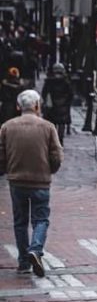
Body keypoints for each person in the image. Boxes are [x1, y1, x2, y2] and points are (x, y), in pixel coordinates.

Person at [0, 89, 63, 276]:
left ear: (19, 106)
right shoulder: (48, 127)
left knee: (20, 221)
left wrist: (7, 169)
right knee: (41, 219)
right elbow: (57, 155)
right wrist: (50, 169)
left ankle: (23, 261)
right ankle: (35, 249)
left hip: (17, 181)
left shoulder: (7, 127)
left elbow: (1, 155)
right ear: (37, 106)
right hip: (40, 181)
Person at [40, 63, 74, 144]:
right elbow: (71, 93)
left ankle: (53, 140)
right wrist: (67, 102)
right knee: (61, 124)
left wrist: (46, 102)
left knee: (53, 123)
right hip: (63, 105)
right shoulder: (66, 81)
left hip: (52, 105)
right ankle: (60, 140)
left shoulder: (49, 81)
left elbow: (44, 93)